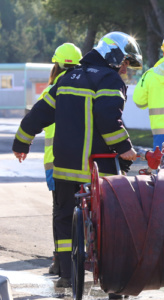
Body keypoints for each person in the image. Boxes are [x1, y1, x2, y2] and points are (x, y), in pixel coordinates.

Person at [12, 31, 141, 288]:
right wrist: (124, 147)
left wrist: (21, 142)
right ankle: (109, 271)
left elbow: (39, 113)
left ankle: (68, 274)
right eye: (125, 61)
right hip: (98, 170)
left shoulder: (67, 78)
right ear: (113, 55)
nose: (126, 67)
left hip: (65, 169)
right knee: (109, 220)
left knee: (64, 219)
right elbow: (107, 117)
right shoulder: (109, 79)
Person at [25, 43, 83, 277]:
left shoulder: (50, 91)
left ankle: (61, 262)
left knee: (60, 212)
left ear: (56, 65)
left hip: (54, 162)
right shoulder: (83, 90)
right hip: (80, 161)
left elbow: (36, 120)